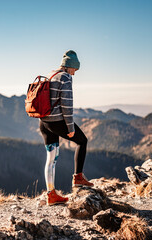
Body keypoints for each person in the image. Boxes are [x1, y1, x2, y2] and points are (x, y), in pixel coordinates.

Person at [39, 50, 94, 206]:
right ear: (69, 66)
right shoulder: (65, 77)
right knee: (82, 141)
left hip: (44, 122)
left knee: (51, 159)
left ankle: (51, 195)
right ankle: (78, 178)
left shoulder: (51, 74)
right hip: (57, 121)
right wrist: (70, 127)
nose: (74, 73)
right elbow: (67, 105)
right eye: (75, 69)